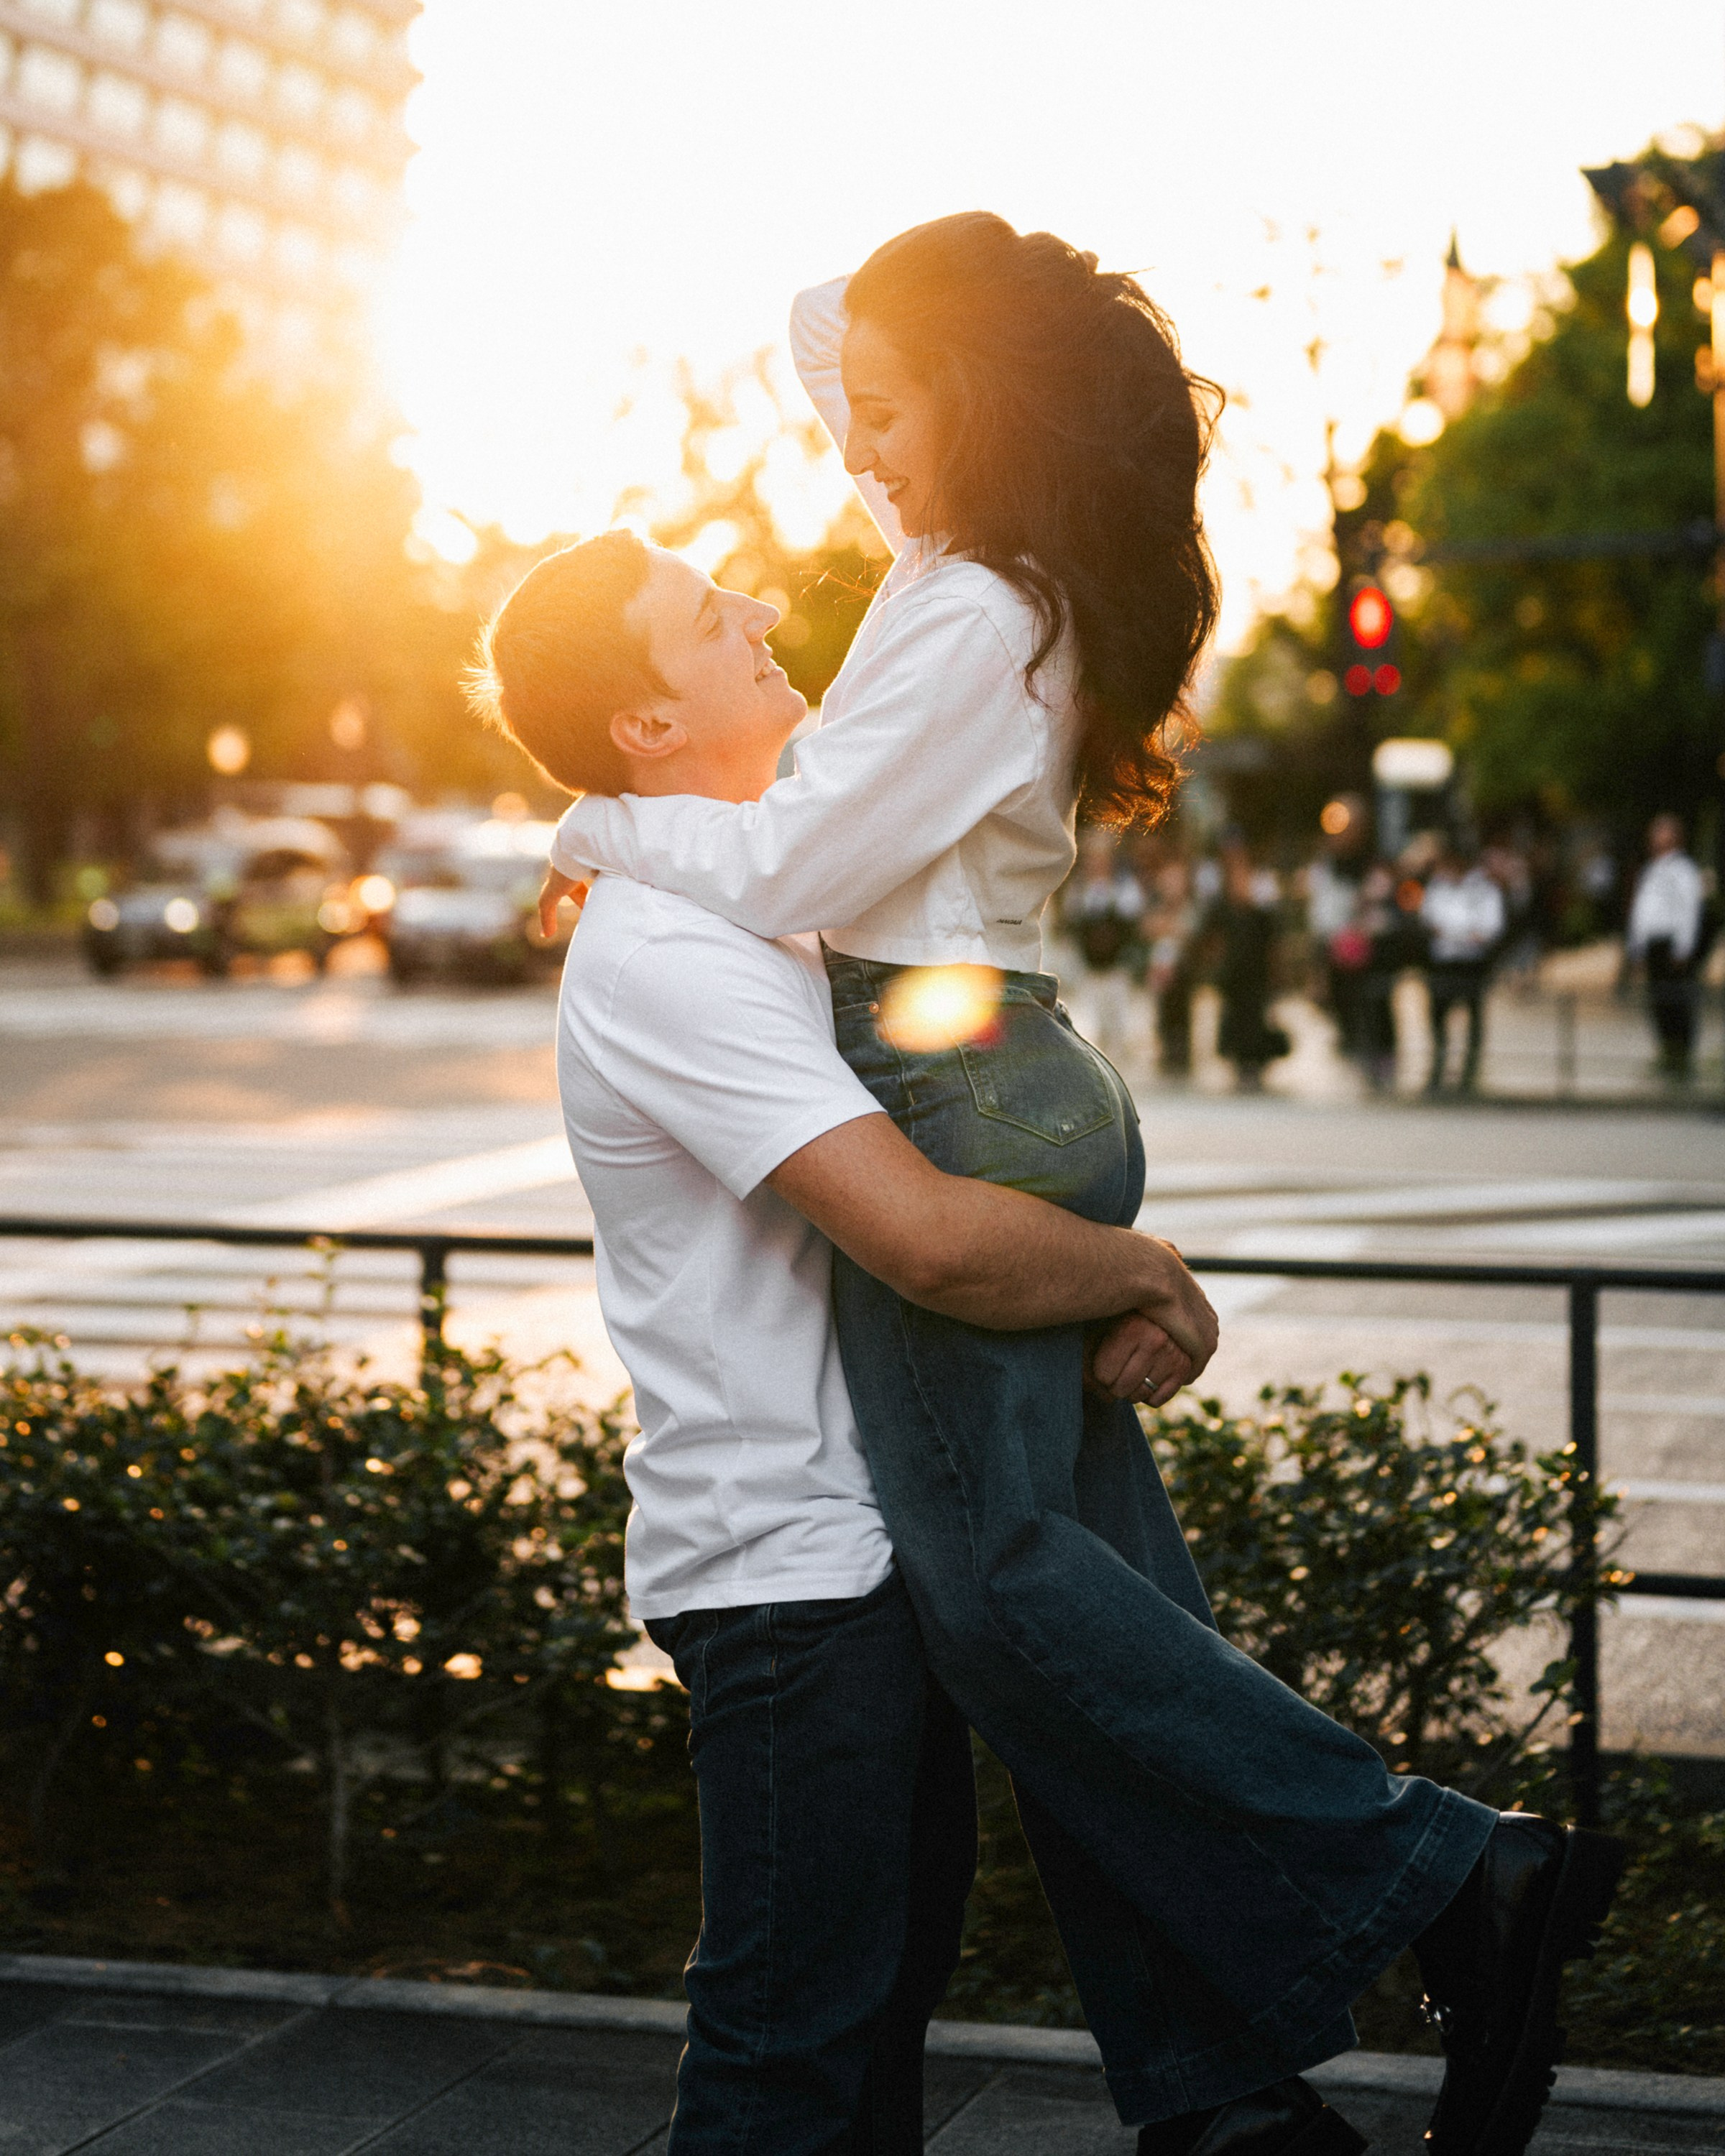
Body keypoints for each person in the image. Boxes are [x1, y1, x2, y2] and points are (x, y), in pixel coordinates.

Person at [531, 215, 1624, 2156]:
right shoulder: (970, 571)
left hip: (964, 1088)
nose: (851, 455)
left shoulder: (966, 605)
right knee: (1092, 1593)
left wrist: (593, 821)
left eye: (891, 412)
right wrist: (945, 357)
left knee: (1005, 1597)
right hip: (995, 1068)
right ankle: (1214, 2090)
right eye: (860, 413)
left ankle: (1445, 1876)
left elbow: (782, 870)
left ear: (974, 401)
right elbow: (838, 338)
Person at [472, 533, 1215, 2152]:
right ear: (649, 725)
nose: (757, 609)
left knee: (860, 2056)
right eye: (704, 616)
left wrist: (595, 825)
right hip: (786, 1586)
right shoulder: (670, 951)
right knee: (785, 2066)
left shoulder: (754, 906)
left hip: (859, 1565)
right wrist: (1139, 1270)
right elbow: (921, 1235)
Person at [1420, 844, 1507, 1093]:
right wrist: (1459, 933)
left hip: (1472, 962)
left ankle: (1469, 1074)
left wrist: (1459, 933)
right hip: (1444, 961)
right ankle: (1438, 1070)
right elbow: (1431, 920)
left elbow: (1489, 927)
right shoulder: (1438, 887)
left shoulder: (1483, 889)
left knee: (1474, 1017)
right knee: (1438, 1016)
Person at [1627, 814, 1706, 1082]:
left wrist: (1684, 946)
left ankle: (1681, 1057)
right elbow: (1642, 911)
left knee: (1677, 1002)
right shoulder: (1651, 869)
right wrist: (1637, 946)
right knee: (1658, 1002)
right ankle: (1666, 1052)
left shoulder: (1683, 870)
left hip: (1671, 944)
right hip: (1653, 944)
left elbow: (1689, 909)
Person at [1205, 839, 1289, 1091]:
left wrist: (1277, 971)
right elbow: (1213, 939)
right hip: (1233, 975)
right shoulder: (1221, 905)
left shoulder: (1261, 906)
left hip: (1256, 973)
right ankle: (1239, 1061)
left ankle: (1255, 1062)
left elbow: (1272, 941)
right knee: (1235, 1018)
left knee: (1255, 1018)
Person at [1062, 825, 1147, 1067]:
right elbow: (1071, 926)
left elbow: (1134, 926)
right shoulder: (1079, 890)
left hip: (1117, 967)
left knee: (1119, 1027)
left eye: (1101, 858)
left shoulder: (1124, 888)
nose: (1097, 863)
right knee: (1091, 1027)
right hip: (1090, 969)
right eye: (1092, 858)